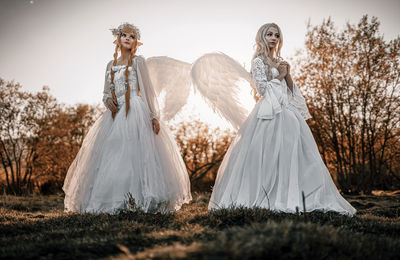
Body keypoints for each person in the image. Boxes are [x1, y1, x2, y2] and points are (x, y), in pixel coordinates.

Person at [208, 23, 356, 216]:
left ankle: (294, 194)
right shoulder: (258, 61)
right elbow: (261, 89)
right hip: (268, 112)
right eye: (269, 34)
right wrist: (281, 75)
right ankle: (265, 195)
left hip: (287, 111)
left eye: (276, 35)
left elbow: (289, 90)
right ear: (261, 37)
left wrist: (288, 74)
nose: (273, 38)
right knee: (266, 154)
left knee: (292, 153)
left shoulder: (280, 61)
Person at [63, 22, 192, 214]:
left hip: (136, 110)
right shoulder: (110, 64)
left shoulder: (139, 62)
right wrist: (108, 100)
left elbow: (148, 91)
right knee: (113, 155)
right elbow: (106, 91)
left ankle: (140, 199)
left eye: (132, 36)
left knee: (135, 154)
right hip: (115, 114)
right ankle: (113, 200)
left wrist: (154, 116)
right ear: (118, 39)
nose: (128, 39)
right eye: (124, 35)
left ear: (136, 42)